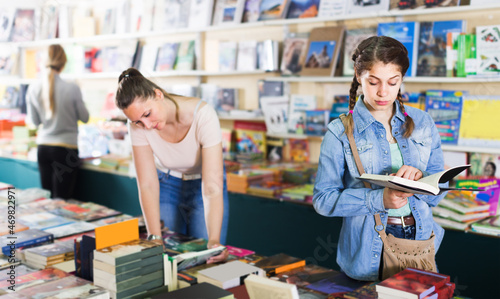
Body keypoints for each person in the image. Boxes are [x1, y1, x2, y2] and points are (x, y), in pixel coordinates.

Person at [312, 36, 446, 281]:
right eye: (373, 82)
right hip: (368, 247)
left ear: (401, 80)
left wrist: (422, 179)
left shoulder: (423, 122)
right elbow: (323, 200)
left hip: (421, 238)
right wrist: (380, 199)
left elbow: (442, 189)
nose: (383, 92)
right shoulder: (339, 132)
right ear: (358, 76)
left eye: (393, 82)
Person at [115, 68, 229, 263]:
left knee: (205, 257)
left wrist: (215, 242)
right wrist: (154, 236)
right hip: (167, 184)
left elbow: (212, 187)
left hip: (204, 184)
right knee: (167, 259)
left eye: (148, 114)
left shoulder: (204, 115)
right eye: (138, 122)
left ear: (158, 94)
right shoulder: (137, 124)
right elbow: (147, 184)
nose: (147, 126)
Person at [26, 44, 89, 199]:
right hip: (66, 150)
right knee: (62, 202)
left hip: (43, 148)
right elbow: (85, 118)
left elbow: (34, 122)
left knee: (48, 201)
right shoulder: (72, 88)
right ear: (63, 62)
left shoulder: (33, 88)